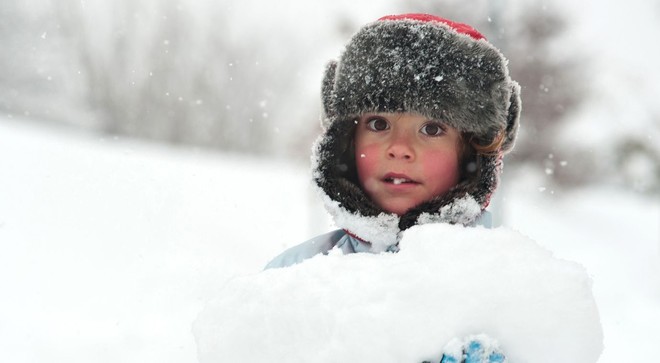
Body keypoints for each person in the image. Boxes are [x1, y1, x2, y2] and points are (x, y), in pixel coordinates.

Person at [266, 13, 521, 362]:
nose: (399, 147)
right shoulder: (290, 280)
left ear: (470, 155)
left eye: (431, 129)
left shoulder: (512, 289)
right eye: (379, 122)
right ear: (346, 139)